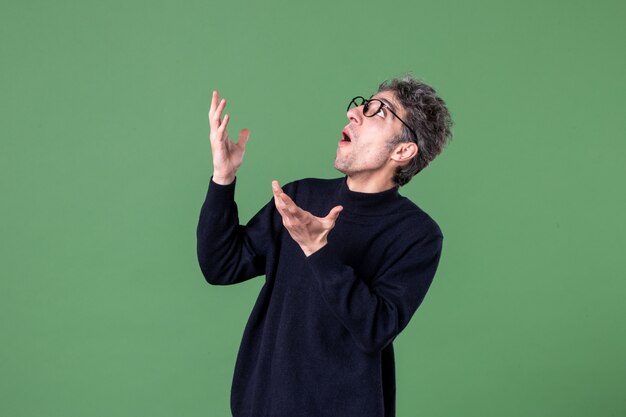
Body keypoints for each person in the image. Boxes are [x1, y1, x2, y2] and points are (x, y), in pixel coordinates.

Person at [196, 75, 453, 417]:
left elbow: (376, 328)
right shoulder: (300, 197)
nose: (355, 114)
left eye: (380, 112)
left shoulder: (417, 234)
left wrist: (319, 250)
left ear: (403, 151)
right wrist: (222, 177)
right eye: (363, 104)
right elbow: (222, 266)